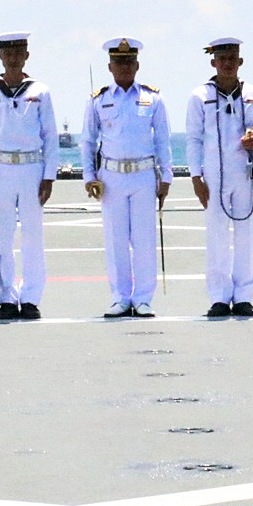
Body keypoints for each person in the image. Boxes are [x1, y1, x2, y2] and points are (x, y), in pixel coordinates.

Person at [80, 37, 172, 317]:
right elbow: (88, 141)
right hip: (111, 177)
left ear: (137, 65)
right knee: (116, 240)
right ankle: (120, 297)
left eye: (129, 62)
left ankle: (143, 298)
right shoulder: (99, 99)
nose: (124, 67)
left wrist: (165, 177)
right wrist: (89, 176)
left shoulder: (152, 98)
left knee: (144, 239)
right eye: (119, 63)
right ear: (110, 66)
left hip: (144, 175)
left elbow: (163, 141)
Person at [186, 38, 253, 318]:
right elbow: (193, 139)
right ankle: (219, 297)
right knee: (216, 237)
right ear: (213, 62)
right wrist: (196, 177)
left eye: (232, 57)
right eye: (222, 58)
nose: (227, 63)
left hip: (243, 173)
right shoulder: (200, 96)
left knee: (246, 235)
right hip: (213, 175)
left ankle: (244, 297)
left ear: (240, 61)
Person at [0, 31, 59, 319]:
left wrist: (49, 176)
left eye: (18, 52)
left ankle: (31, 297)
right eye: (7, 53)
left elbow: (50, 137)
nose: (12, 58)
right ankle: (7, 296)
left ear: (26, 56)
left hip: (31, 168)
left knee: (33, 237)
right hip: (0, 171)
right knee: (3, 238)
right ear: (0, 56)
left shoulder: (40, 92)